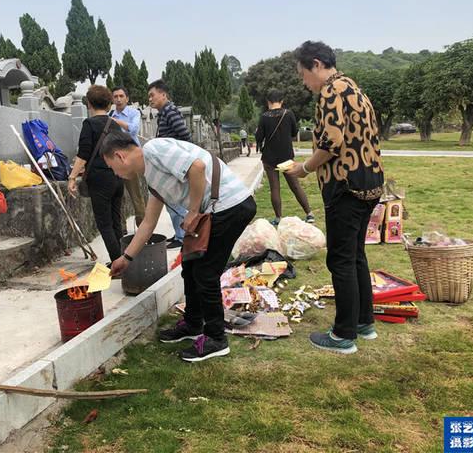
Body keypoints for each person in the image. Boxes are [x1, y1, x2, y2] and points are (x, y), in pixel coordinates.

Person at [104, 131, 256, 361]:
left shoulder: (153, 150)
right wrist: (126, 258)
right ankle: (193, 324)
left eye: (112, 167)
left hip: (230, 205)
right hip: (218, 210)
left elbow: (196, 167)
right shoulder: (152, 179)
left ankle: (216, 339)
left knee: (206, 272)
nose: (115, 174)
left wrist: (193, 211)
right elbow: (148, 222)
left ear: (120, 156)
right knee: (190, 264)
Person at [288, 40, 384, 354]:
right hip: (370, 183)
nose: (305, 82)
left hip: (346, 186)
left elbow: (331, 142)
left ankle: (343, 335)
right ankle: (363, 322)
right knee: (355, 255)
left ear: (317, 64)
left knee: (340, 260)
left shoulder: (331, 91)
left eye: (304, 74)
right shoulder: (354, 88)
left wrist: (304, 168)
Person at [67, 85, 124, 264]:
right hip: (117, 176)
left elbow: (83, 154)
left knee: (104, 223)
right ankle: (123, 258)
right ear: (108, 104)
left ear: (89, 103)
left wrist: (72, 177)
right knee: (116, 221)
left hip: (100, 179)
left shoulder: (89, 124)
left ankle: (118, 263)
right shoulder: (115, 125)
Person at [255, 89, 314, 225]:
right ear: (282, 101)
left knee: (274, 188)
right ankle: (309, 214)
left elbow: (259, 138)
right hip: (286, 157)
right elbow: (294, 131)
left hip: (269, 158)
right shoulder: (288, 114)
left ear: (268, 101)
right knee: (295, 186)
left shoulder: (264, 117)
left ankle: (278, 218)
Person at [147, 79, 191, 249]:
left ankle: (185, 234)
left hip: (174, 164)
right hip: (170, 164)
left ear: (163, 94)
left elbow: (184, 135)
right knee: (172, 202)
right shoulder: (164, 112)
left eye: (152, 95)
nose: (150, 99)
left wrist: (174, 154)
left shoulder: (170, 111)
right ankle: (181, 234)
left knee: (173, 202)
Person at [110, 86, 145, 228]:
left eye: (121, 96)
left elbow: (133, 129)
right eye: (115, 96)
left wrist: (116, 122)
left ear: (127, 98)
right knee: (118, 196)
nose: (118, 99)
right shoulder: (110, 115)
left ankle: (143, 229)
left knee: (136, 197)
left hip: (131, 160)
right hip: (115, 161)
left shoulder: (134, 113)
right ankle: (121, 228)